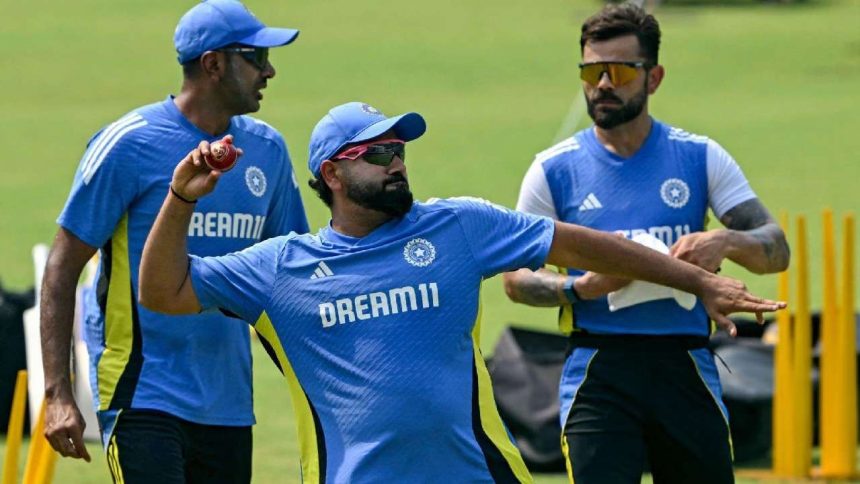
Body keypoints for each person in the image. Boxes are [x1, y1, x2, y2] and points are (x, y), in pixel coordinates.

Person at [137, 101, 783, 482]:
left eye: (401, 149)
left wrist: (697, 278)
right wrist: (180, 198)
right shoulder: (284, 268)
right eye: (379, 152)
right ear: (333, 173)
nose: (398, 162)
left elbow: (580, 244)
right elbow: (163, 290)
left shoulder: (458, 226)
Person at [502, 4, 790, 484]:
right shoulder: (553, 170)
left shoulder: (700, 157)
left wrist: (727, 240)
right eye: (592, 72)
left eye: (618, 71)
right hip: (598, 370)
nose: (603, 85)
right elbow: (515, 279)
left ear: (653, 78)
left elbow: (775, 249)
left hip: (686, 364)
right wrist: (580, 289)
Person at [40, 1, 309, 481]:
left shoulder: (268, 149)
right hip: (142, 391)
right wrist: (58, 393)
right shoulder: (128, 143)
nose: (269, 71)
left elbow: (291, 278)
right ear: (213, 64)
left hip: (228, 402)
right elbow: (62, 266)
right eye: (256, 58)